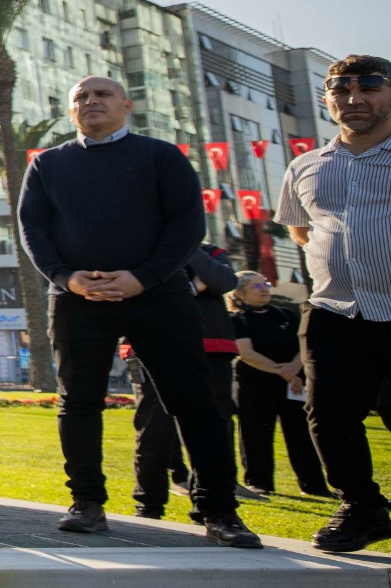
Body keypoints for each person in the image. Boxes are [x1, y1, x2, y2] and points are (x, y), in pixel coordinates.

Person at [18, 76, 258, 547]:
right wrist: (66, 278)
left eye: (102, 94)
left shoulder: (161, 157)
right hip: (76, 298)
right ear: (71, 112)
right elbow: (33, 229)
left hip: (158, 294)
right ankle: (86, 503)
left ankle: (219, 510)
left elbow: (186, 225)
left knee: (191, 401)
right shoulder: (47, 164)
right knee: (79, 402)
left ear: (126, 105)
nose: (90, 102)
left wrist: (143, 277)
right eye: (80, 98)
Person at [277, 53, 391, 554]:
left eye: (369, 87)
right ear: (327, 101)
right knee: (328, 414)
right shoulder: (306, 165)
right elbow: (302, 232)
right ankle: (362, 509)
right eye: (341, 90)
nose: (354, 99)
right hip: (335, 311)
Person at [126, 244, 237, 517]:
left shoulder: (209, 252)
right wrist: (194, 286)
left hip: (212, 348)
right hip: (152, 343)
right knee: (154, 427)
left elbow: (223, 281)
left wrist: (186, 247)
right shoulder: (140, 247)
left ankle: (209, 502)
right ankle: (149, 502)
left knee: (214, 427)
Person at [230, 272, 330, 498]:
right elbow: (245, 352)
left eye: (265, 283)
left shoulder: (285, 314)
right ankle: (259, 482)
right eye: (256, 286)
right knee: (256, 433)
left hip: (293, 383)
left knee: (301, 433)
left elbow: (302, 345)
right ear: (240, 293)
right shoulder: (237, 318)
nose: (264, 288)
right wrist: (282, 371)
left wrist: (294, 370)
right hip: (255, 383)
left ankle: (314, 485)